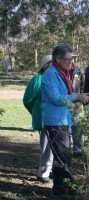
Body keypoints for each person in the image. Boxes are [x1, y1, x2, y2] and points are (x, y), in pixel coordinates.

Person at [41, 44, 89, 196]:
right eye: (67, 59)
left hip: (64, 119)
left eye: (71, 59)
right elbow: (55, 98)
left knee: (61, 156)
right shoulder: (51, 74)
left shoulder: (63, 72)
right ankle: (70, 189)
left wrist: (81, 96)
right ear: (57, 59)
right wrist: (76, 97)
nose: (70, 62)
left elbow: (66, 93)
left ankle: (59, 188)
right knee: (64, 156)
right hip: (55, 121)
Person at [23, 55, 54, 183]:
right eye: (53, 63)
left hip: (56, 118)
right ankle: (43, 173)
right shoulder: (38, 79)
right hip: (44, 118)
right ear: (46, 65)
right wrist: (36, 112)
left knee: (53, 147)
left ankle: (50, 170)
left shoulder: (55, 78)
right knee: (46, 146)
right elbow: (27, 100)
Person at [69, 55, 84, 153]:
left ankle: (77, 148)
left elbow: (83, 86)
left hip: (76, 104)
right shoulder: (59, 70)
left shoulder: (78, 70)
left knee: (76, 126)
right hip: (63, 103)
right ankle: (65, 148)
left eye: (72, 57)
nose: (70, 60)